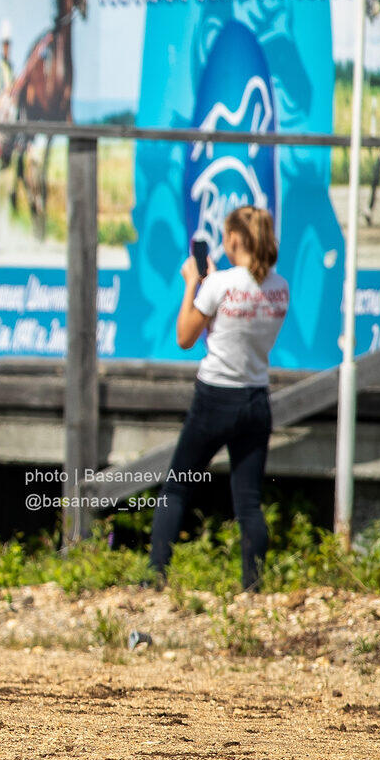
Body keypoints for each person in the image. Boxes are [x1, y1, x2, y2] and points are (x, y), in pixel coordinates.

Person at [150, 205, 289, 592]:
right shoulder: (280, 287)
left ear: (233, 240)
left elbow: (184, 337)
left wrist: (193, 283)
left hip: (215, 397)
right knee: (248, 502)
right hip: (256, 399)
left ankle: (155, 578)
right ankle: (253, 588)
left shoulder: (219, 284)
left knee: (177, 486)